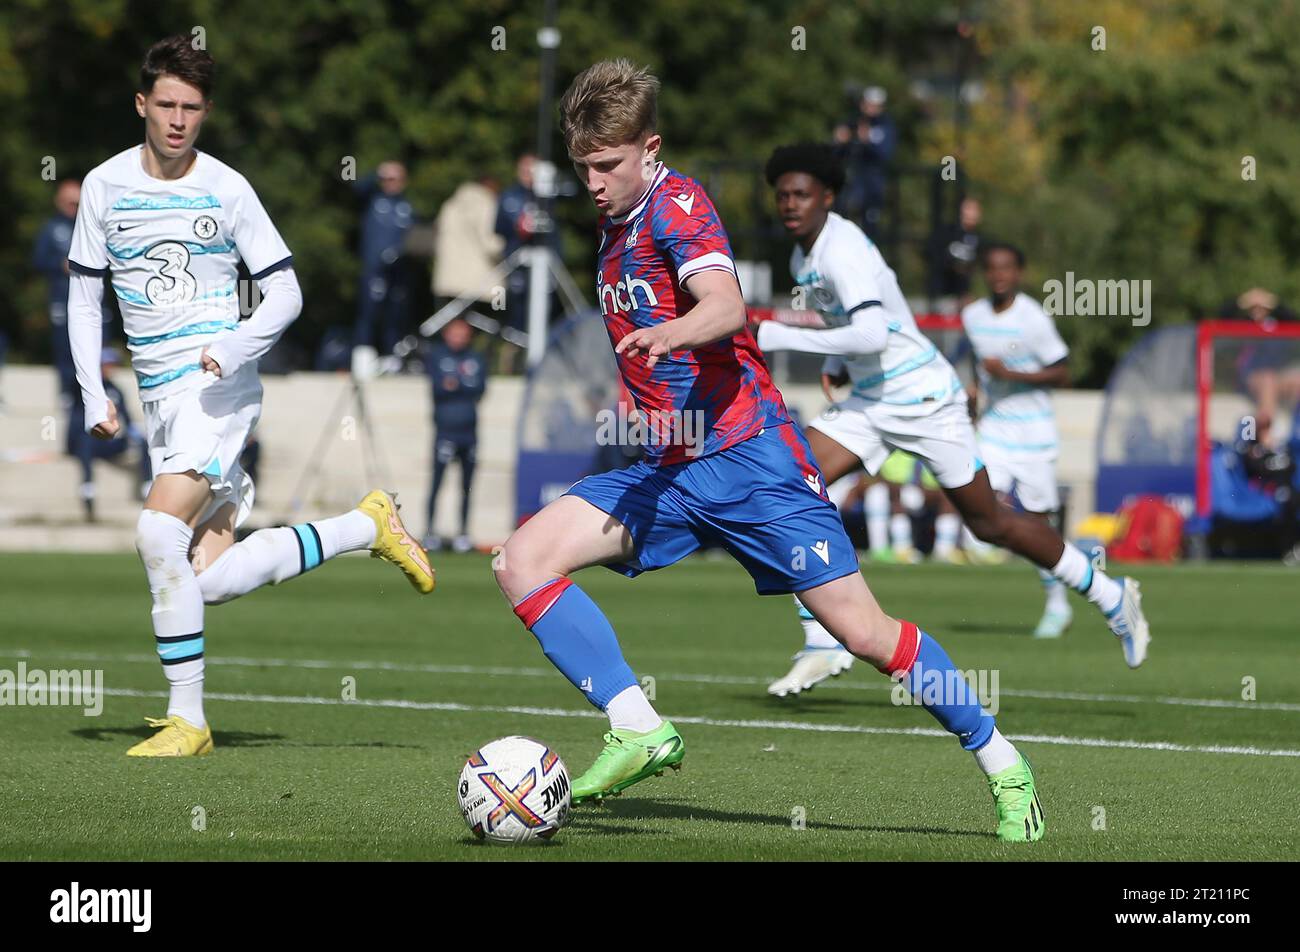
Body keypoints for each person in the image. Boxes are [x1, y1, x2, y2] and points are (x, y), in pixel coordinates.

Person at [492, 59, 1046, 842]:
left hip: (754, 460)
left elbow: (722, 303)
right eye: (584, 167)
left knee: (863, 635)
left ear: (650, 149)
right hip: (672, 470)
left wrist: (672, 330)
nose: (594, 181)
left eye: (608, 165)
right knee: (521, 560)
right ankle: (639, 728)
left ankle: (1003, 763)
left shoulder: (678, 205)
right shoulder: (613, 224)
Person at [67, 35, 435, 758]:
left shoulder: (228, 188)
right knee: (205, 580)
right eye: (166, 104)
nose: (178, 120)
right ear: (142, 104)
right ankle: (367, 526)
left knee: (154, 534)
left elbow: (286, 291)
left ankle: (189, 723)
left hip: (217, 390)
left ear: (205, 113)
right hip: (158, 397)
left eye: (192, 108)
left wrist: (233, 347)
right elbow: (83, 297)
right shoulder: (104, 186)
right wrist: (90, 394)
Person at [753, 144, 1149, 695]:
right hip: (871, 399)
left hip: (924, 398)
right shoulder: (805, 257)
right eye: (783, 195)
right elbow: (873, 321)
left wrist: (773, 334)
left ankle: (1110, 594)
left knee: (990, 523)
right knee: (787, 484)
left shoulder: (841, 250)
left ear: (828, 197)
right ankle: (822, 638)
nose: (790, 203)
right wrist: (837, 361)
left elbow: (874, 332)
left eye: (802, 194)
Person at [962, 243, 1074, 638]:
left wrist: (1011, 375)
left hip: (1034, 433)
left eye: (1007, 268)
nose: (998, 276)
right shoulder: (972, 315)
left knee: (1038, 522)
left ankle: (1057, 603)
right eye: (992, 268)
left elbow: (1062, 373)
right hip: (994, 427)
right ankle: (982, 539)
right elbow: (978, 363)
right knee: (978, 490)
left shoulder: (1033, 319)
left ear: (1019, 273)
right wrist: (974, 392)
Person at [424, 317, 485, 553]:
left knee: (467, 485)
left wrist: (456, 385)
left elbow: (479, 389)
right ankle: (430, 532)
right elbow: (439, 388)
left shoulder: (475, 358)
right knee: (437, 482)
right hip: (445, 430)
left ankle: (463, 533)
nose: (458, 338)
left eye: (463, 333)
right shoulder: (438, 356)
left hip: (469, 433)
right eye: (454, 333)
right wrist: (461, 386)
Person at [353, 159, 413, 358]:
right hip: (373, 270)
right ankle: (363, 355)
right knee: (369, 314)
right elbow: (356, 188)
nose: (390, 182)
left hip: (398, 271)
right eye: (386, 178)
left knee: (395, 316)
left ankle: (392, 357)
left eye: (394, 178)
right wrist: (376, 173)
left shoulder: (408, 207)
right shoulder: (372, 200)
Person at [433, 174, 504, 312]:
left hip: (448, 278)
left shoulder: (450, 204)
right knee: (493, 320)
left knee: (451, 323)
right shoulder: (487, 204)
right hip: (480, 282)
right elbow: (491, 244)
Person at [926, 196, 983, 309]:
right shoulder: (946, 233)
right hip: (941, 293)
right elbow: (933, 256)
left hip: (961, 298)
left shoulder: (979, 239)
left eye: (975, 210)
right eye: (968, 209)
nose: (972, 214)